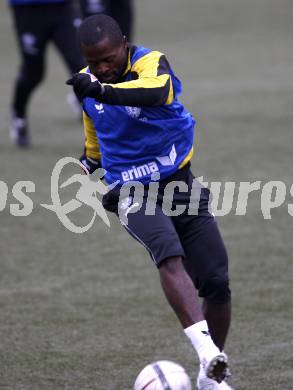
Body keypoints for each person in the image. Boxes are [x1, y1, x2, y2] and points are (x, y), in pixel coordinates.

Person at [66, 14, 233, 390]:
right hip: (129, 189)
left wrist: (100, 90)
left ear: (124, 44)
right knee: (167, 251)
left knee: (218, 283)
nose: (103, 68)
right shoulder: (89, 86)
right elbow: (95, 127)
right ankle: (208, 354)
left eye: (109, 58)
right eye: (94, 63)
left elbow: (154, 93)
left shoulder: (151, 63)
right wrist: (89, 159)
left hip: (179, 184)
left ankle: (210, 378)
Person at [8, 0, 85, 147]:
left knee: (81, 65)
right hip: (28, 9)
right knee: (33, 73)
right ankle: (18, 114)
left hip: (63, 8)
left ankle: (100, 123)